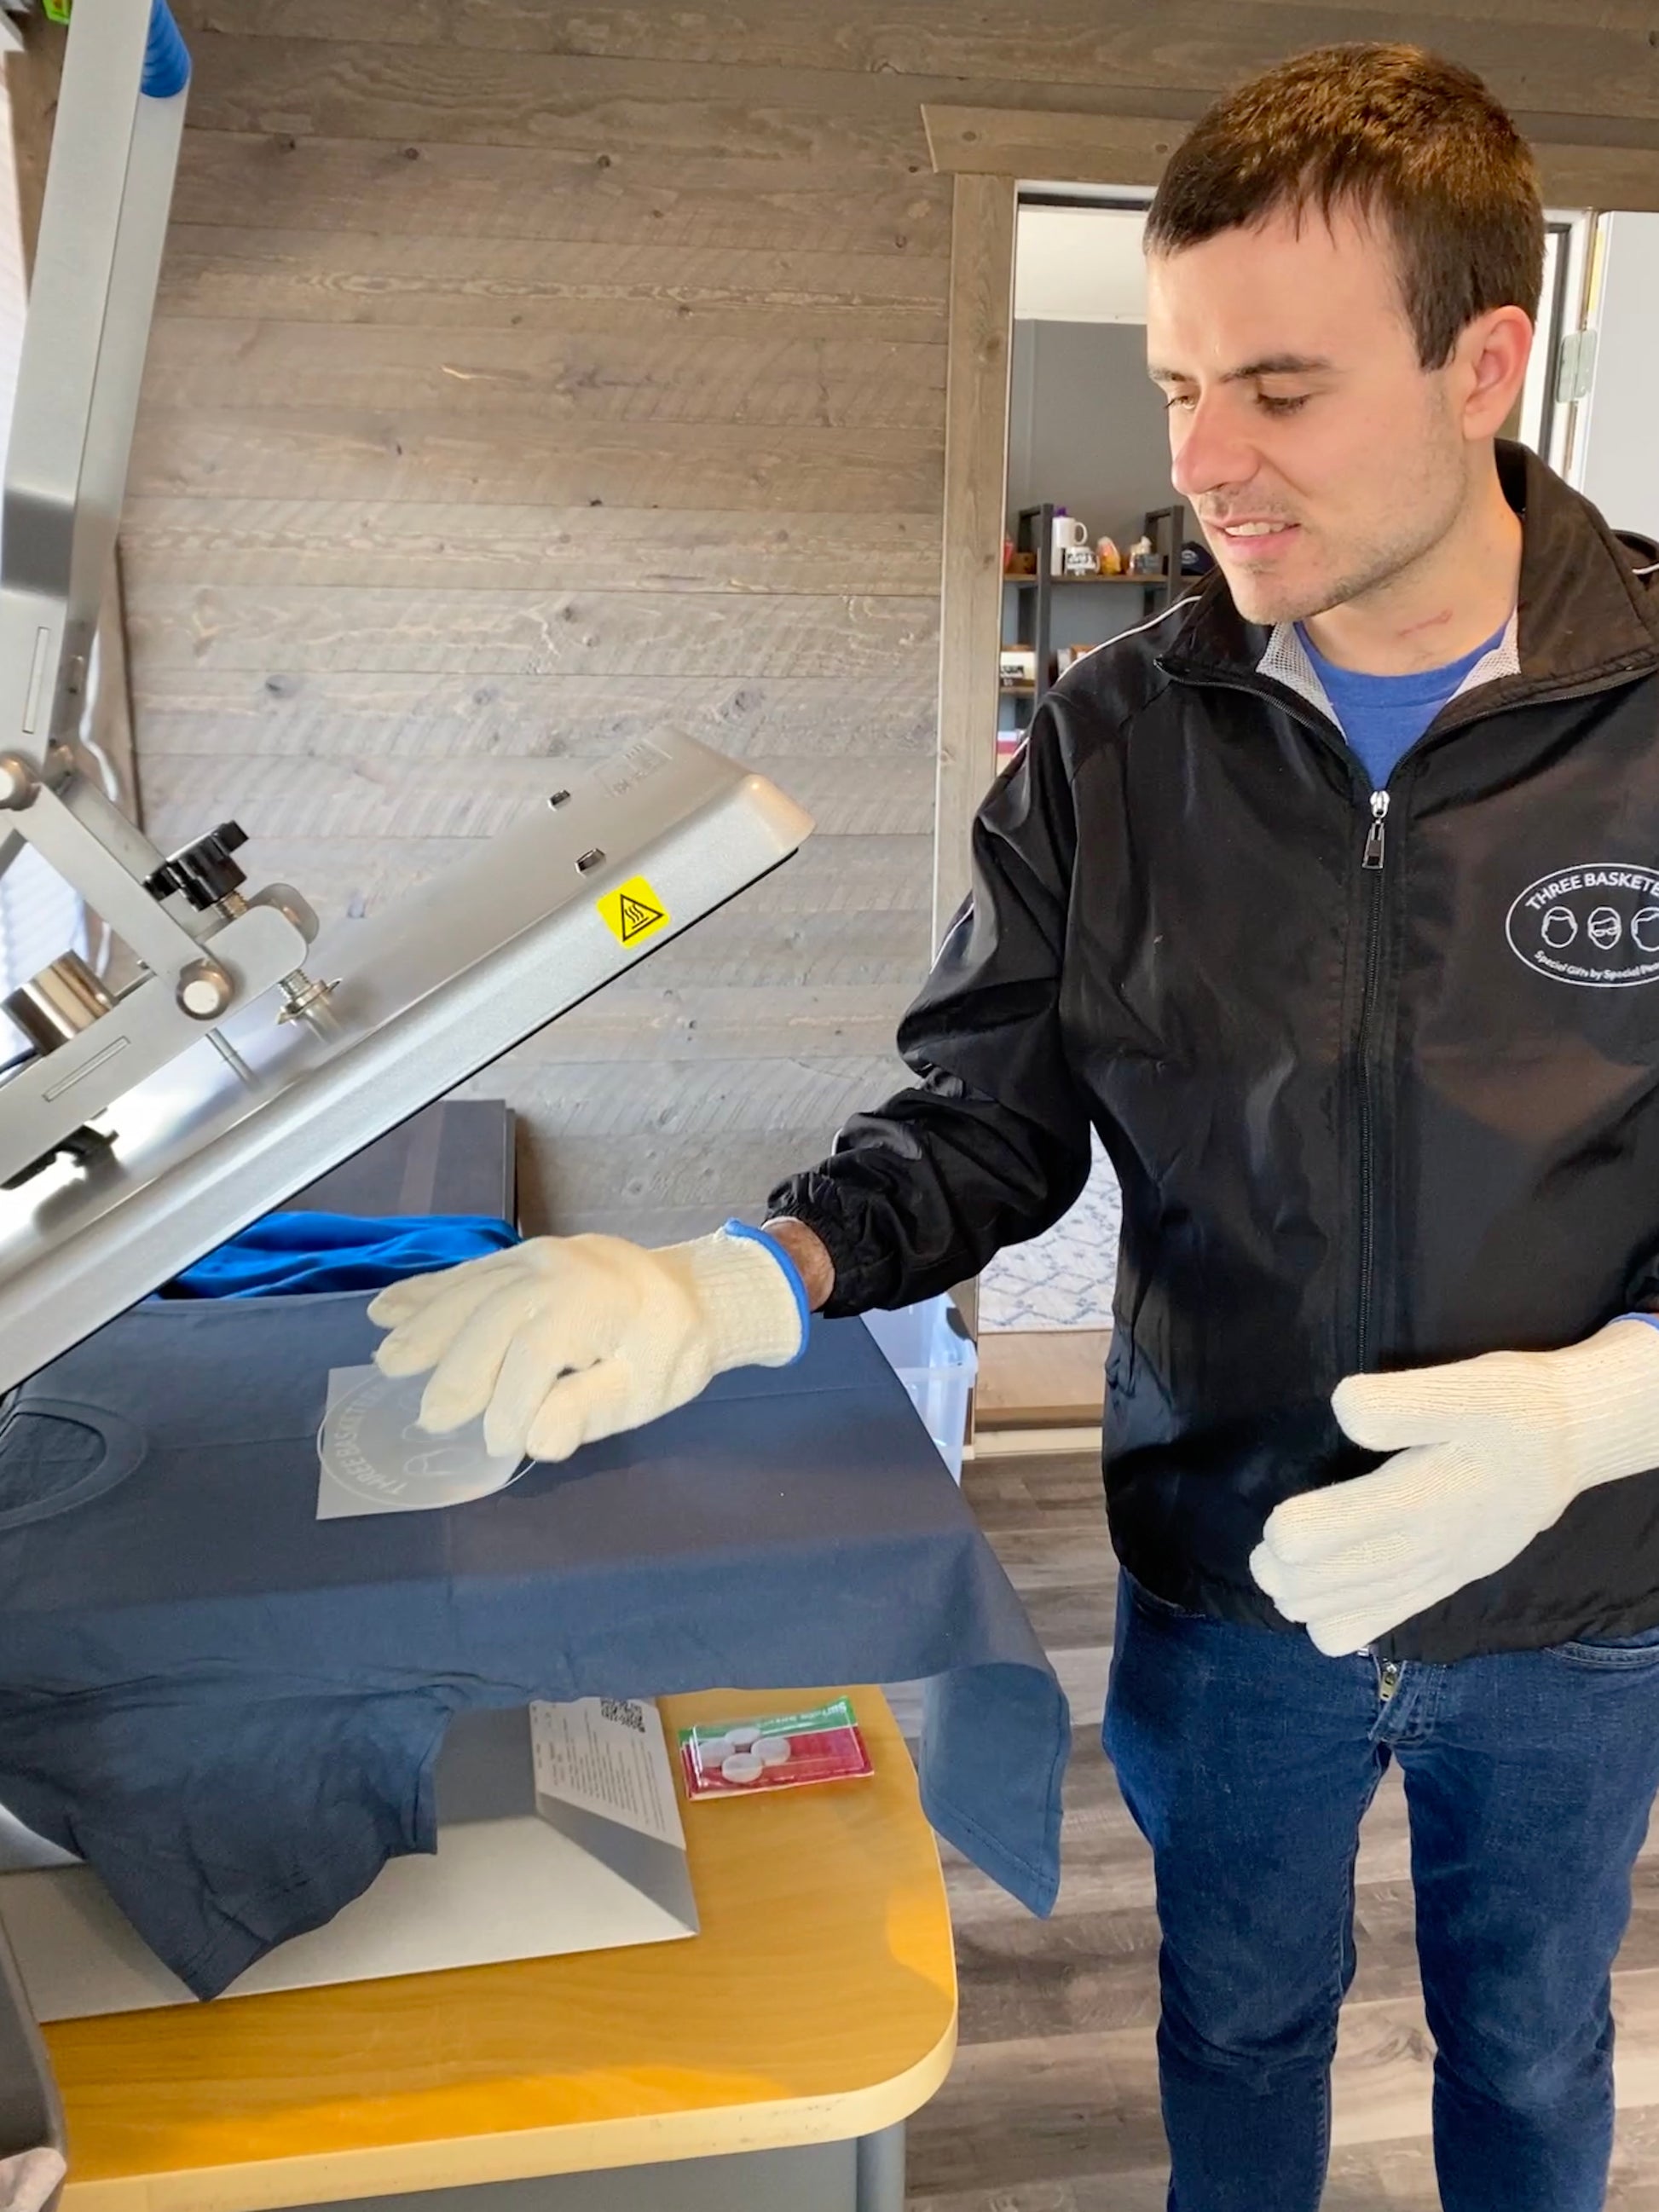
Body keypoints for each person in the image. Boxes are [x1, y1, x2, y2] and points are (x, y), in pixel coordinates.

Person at [368, 43, 1659, 2212]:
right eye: (1176, 388)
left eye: (1277, 387)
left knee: (1527, 2042)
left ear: (1482, 364)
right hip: (1225, 1569)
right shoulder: (1115, 733)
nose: (1203, 465)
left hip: (1576, 1595)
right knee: (1232, 2020)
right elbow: (985, 1124)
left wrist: (1609, 1410)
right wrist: (738, 1271)